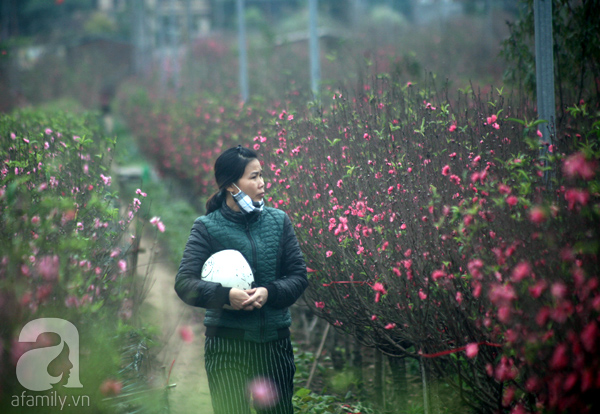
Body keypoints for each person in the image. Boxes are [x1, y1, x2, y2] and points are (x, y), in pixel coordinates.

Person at [175, 145, 308, 414]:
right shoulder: (207, 227)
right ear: (230, 186)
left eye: (261, 175)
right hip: (227, 346)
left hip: (273, 345)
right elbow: (185, 283)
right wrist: (226, 296)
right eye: (254, 177)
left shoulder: (278, 221)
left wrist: (269, 292)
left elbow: (298, 277)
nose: (262, 183)